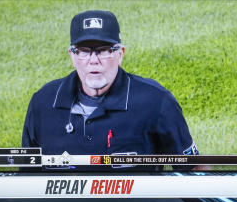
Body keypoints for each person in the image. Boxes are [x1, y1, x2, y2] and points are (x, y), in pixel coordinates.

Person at [22, 10, 198, 158]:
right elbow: (26, 176)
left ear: (120, 54)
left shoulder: (156, 102)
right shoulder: (42, 103)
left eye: (104, 51)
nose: (94, 60)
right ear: (72, 56)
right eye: (83, 51)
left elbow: (193, 169)